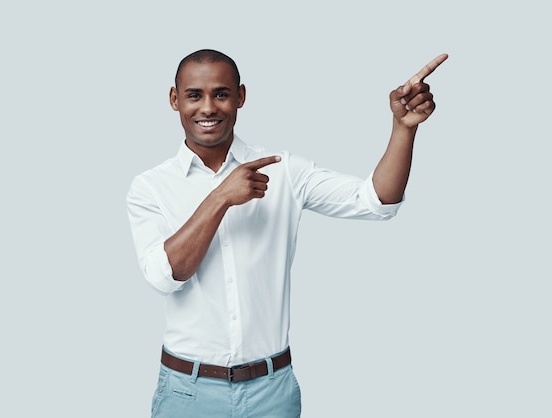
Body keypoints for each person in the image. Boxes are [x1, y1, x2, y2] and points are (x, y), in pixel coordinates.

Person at [126, 49, 447, 418]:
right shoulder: (150, 187)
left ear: (240, 97)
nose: (208, 107)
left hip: (270, 393)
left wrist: (403, 128)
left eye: (222, 94)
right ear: (174, 99)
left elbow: (376, 201)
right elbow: (165, 277)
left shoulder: (285, 172)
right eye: (194, 95)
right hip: (187, 392)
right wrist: (221, 198)